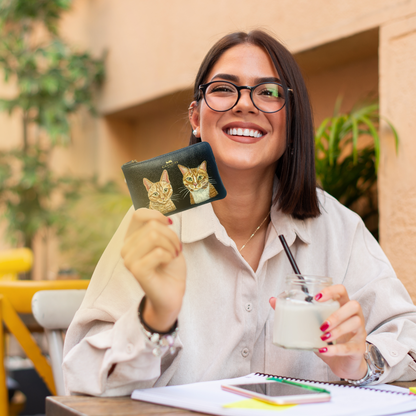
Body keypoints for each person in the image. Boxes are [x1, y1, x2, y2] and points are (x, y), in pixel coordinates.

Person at [62, 30, 416, 397]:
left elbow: (408, 338)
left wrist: (361, 362)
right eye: (223, 89)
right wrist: (156, 321)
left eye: (268, 92)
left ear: (290, 123)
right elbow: (82, 376)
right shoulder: (155, 224)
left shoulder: (337, 227)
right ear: (196, 118)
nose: (245, 104)